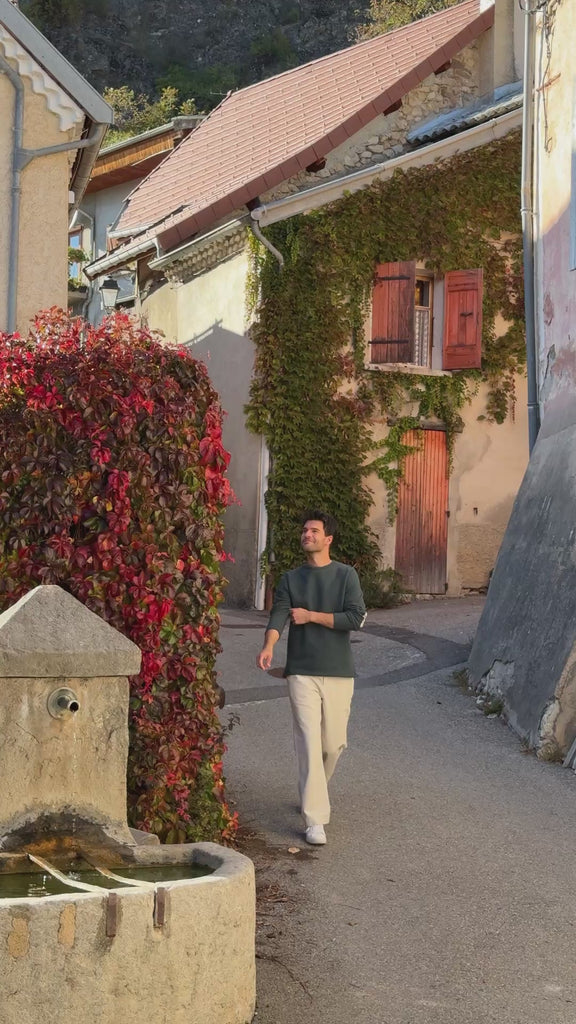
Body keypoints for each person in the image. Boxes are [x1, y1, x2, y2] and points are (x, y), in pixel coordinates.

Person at [257, 510, 366, 846]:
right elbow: (278, 614)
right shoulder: (291, 579)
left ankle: (312, 787)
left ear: (328, 539)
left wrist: (311, 616)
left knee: (333, 744)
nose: (307, 535)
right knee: (307, 740)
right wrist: (269, 645)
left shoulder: (346, 576)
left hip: (338, 671)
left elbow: (355, 617)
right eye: (304, 530)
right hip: (301, 671)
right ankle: (315, 819)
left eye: (314, 531)